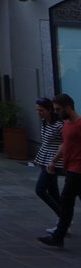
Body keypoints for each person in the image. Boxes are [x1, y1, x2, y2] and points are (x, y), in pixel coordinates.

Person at [42, 94, 81, 247]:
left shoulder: (79, 125)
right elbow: (64, 145)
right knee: (67, 201)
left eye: (58, 109)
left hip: (77, 169)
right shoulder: (67, 124)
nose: (56, 112)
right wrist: (54, 161)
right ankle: (58, 236)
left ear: (68, 107)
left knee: (66, 200)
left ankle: (58, 236)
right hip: (70, 167)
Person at [34, 98, 64, 223]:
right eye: (37, 110)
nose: (38, 112)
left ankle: (63, 217)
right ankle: (62, 219)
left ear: (50, 110)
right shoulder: (45, 122)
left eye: (41, 110)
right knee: (53, 191)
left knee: (40, 189)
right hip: (45, 158)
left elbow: (64, 143)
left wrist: (54, 160)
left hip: (54, 160)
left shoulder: (58, 125)